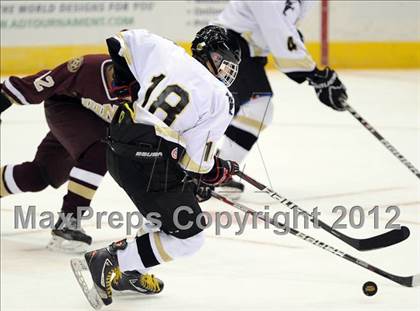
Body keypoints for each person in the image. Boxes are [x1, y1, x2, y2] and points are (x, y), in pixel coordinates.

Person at [70, 25, 241, 307]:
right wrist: (217, 172)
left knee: (169, 205)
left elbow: (121, 39)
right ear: (209, 54)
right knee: (190, 237)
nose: (225, 73)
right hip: (148, 162)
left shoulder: (168, 50)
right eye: (224, 64)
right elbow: (197, 163)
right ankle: (111, 260)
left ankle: (133, 271)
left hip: (118, 145)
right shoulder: (220, 98)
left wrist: (124, 87)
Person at [0, 54, 138, 252]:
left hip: (98, 122)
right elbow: (47, 81)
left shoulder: (154, 91)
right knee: (100, 149)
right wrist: (3, 97)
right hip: (66, 108)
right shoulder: (88, 68)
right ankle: (69, 221)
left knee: (38, 175)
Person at [214, 0, 348, 195]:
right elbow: (278, 33)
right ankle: (208, 171)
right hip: (226, 45)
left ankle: (215, 169)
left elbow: (286, 33)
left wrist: (315, 75)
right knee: (256, 107)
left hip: (242, 51)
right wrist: (315, 75)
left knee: (257, 110)